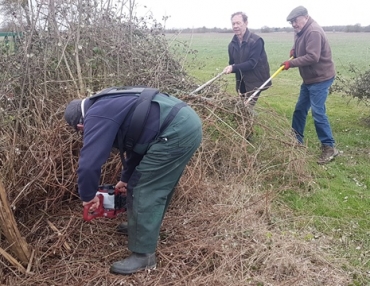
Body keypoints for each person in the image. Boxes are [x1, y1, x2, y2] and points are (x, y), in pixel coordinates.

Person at [64, 86, 202, 275]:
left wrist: (88, 196)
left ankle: (144, 256)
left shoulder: (96, 116)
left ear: (80, 126)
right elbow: (138, 143)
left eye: (80, 132)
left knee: (145, 188)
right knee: (152, 183)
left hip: (175, 130)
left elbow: (89, 163)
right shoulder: (106, 102)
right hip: (183, 124)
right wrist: (125, 179)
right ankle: (141, 229)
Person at [282, 6, 338, 164]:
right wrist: (295, 49)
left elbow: (313, 57)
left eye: (295, 21)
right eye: (291, 22)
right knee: (300, 109)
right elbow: (300, 42)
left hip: (321, 77)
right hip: (309, 79)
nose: (293, 24)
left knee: (318, 112)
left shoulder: (313, 31)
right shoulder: (300, 29)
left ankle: (329, 147)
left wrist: (291, 63)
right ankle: (295, 141)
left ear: (305, 17)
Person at [223, 11, 271, 107]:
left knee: (247, 107)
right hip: (241, 81)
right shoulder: (232, 45)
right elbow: (232, 63)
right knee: (241, 106)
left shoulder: (256, 41)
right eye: (233, 24)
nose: (235, 26)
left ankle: (250, 119)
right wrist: (230, 68)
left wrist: (233, 68)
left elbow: (252, 63)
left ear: (246, 23)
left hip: (256, 80)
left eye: (238, 23)